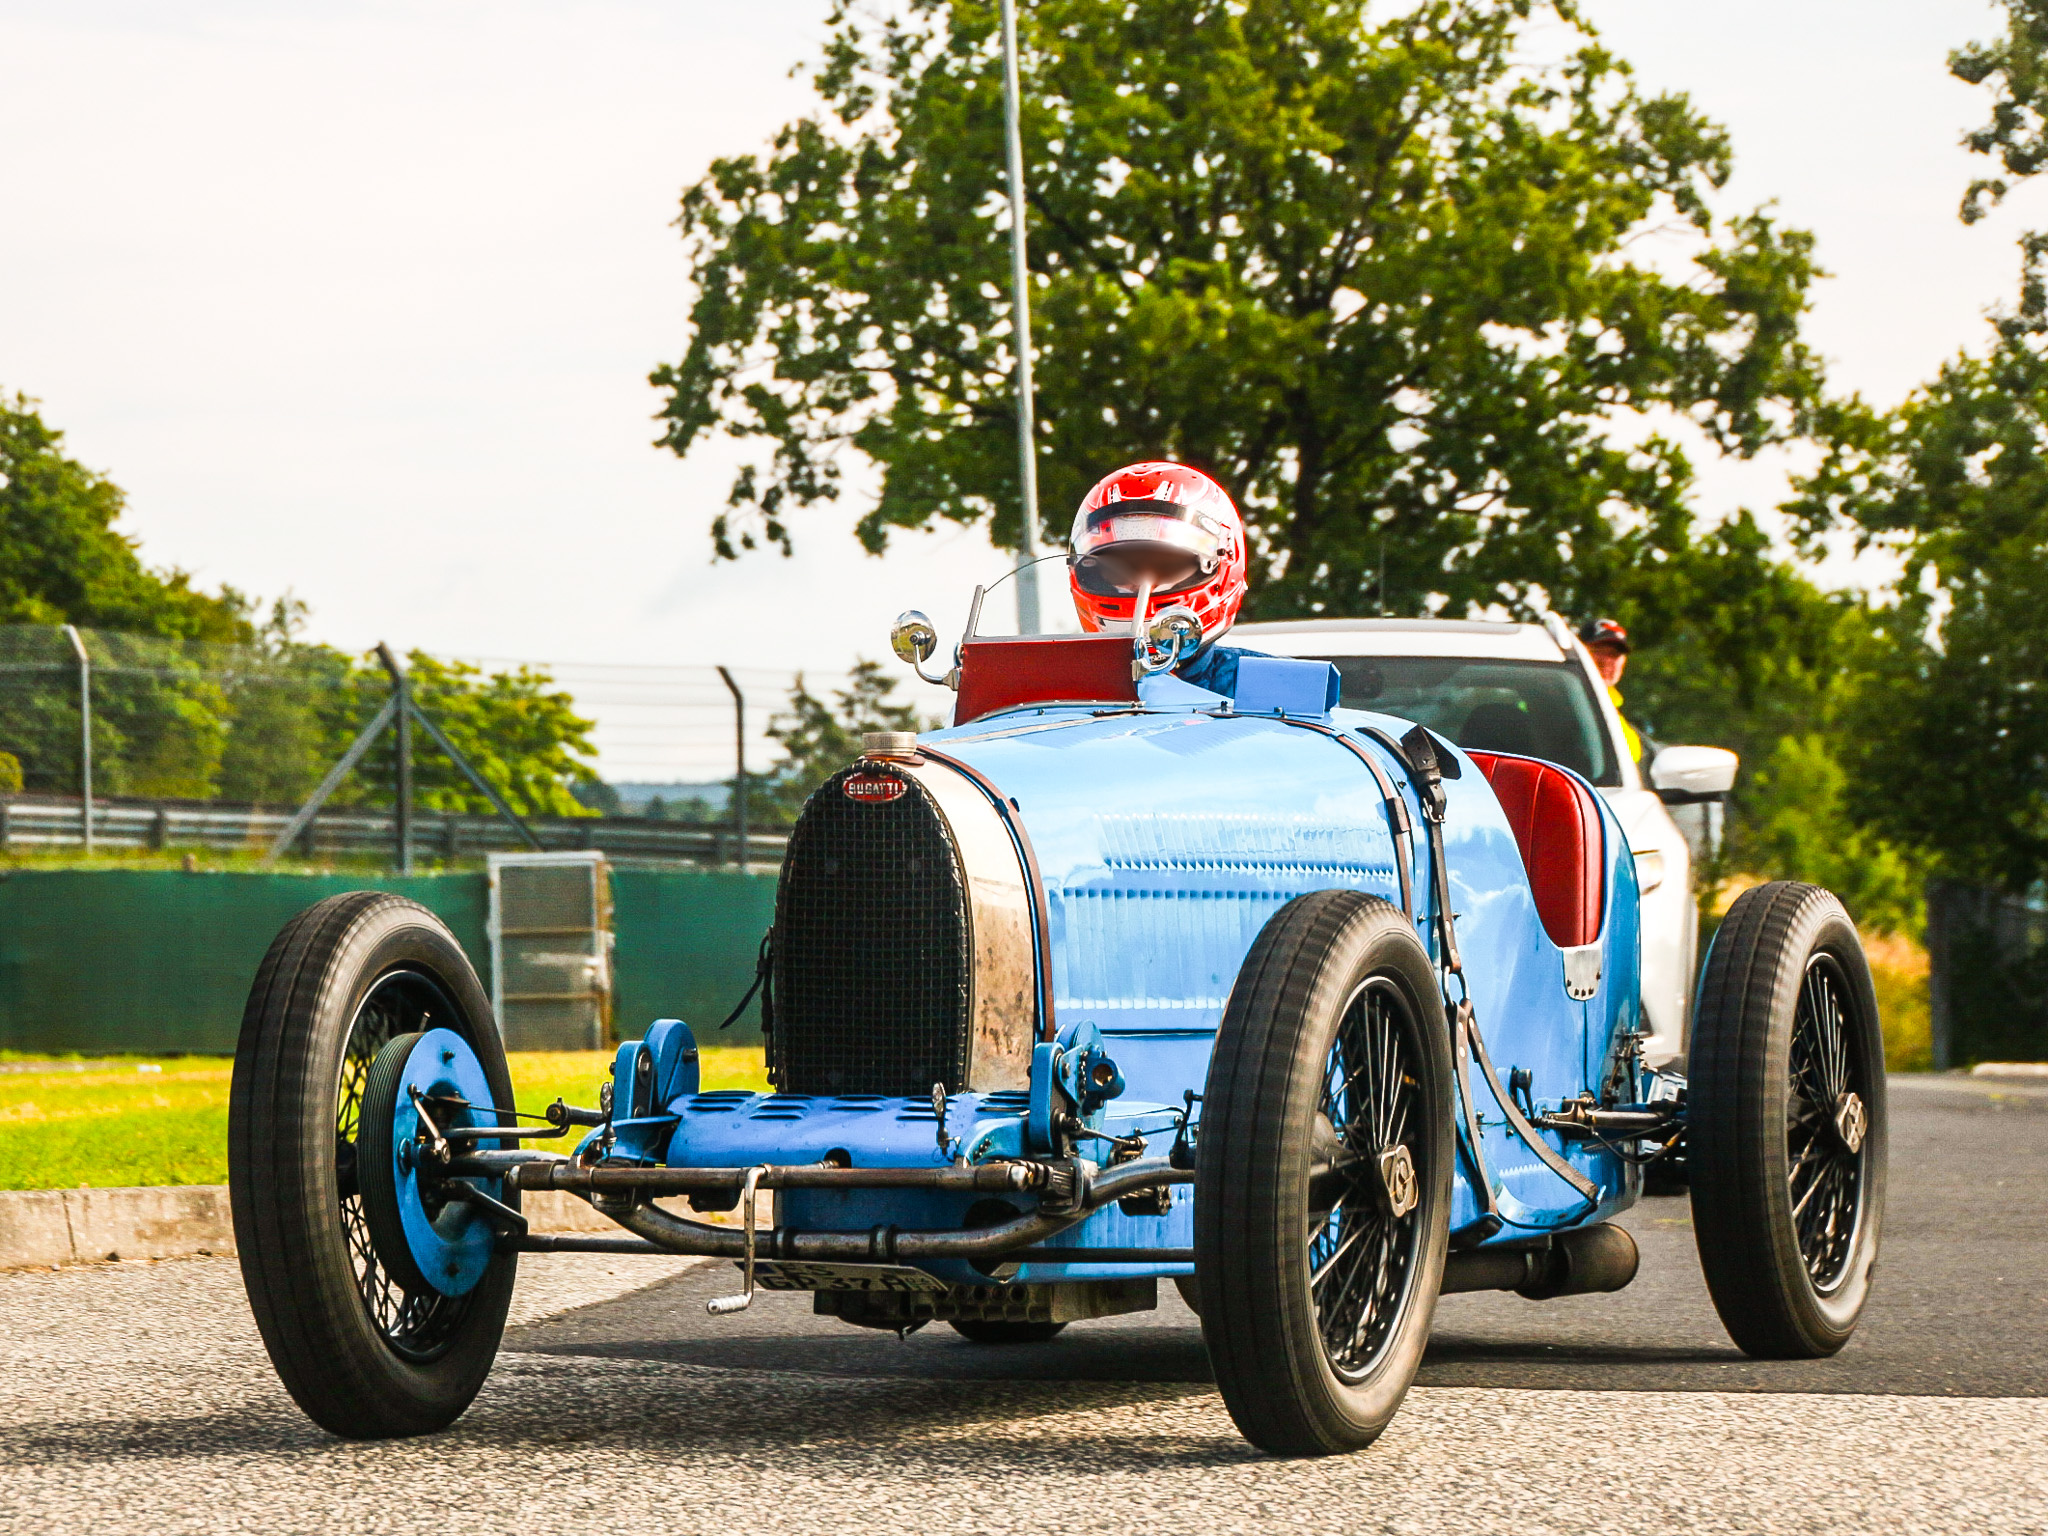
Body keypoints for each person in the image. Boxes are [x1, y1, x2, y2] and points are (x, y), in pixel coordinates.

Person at [1067, 460, 1263, 696]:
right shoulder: (1053, 694)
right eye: (1117, 569)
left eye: (1167, 566)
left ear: (1225, 559)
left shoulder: (1280, 689)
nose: (1141, 585)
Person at [1579, 617, 1643, 764]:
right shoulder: (1565, 704)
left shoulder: (1614, 709)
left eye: (1614, 654)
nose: (1607, 661)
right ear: (1579, 654)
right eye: (1598, 651)